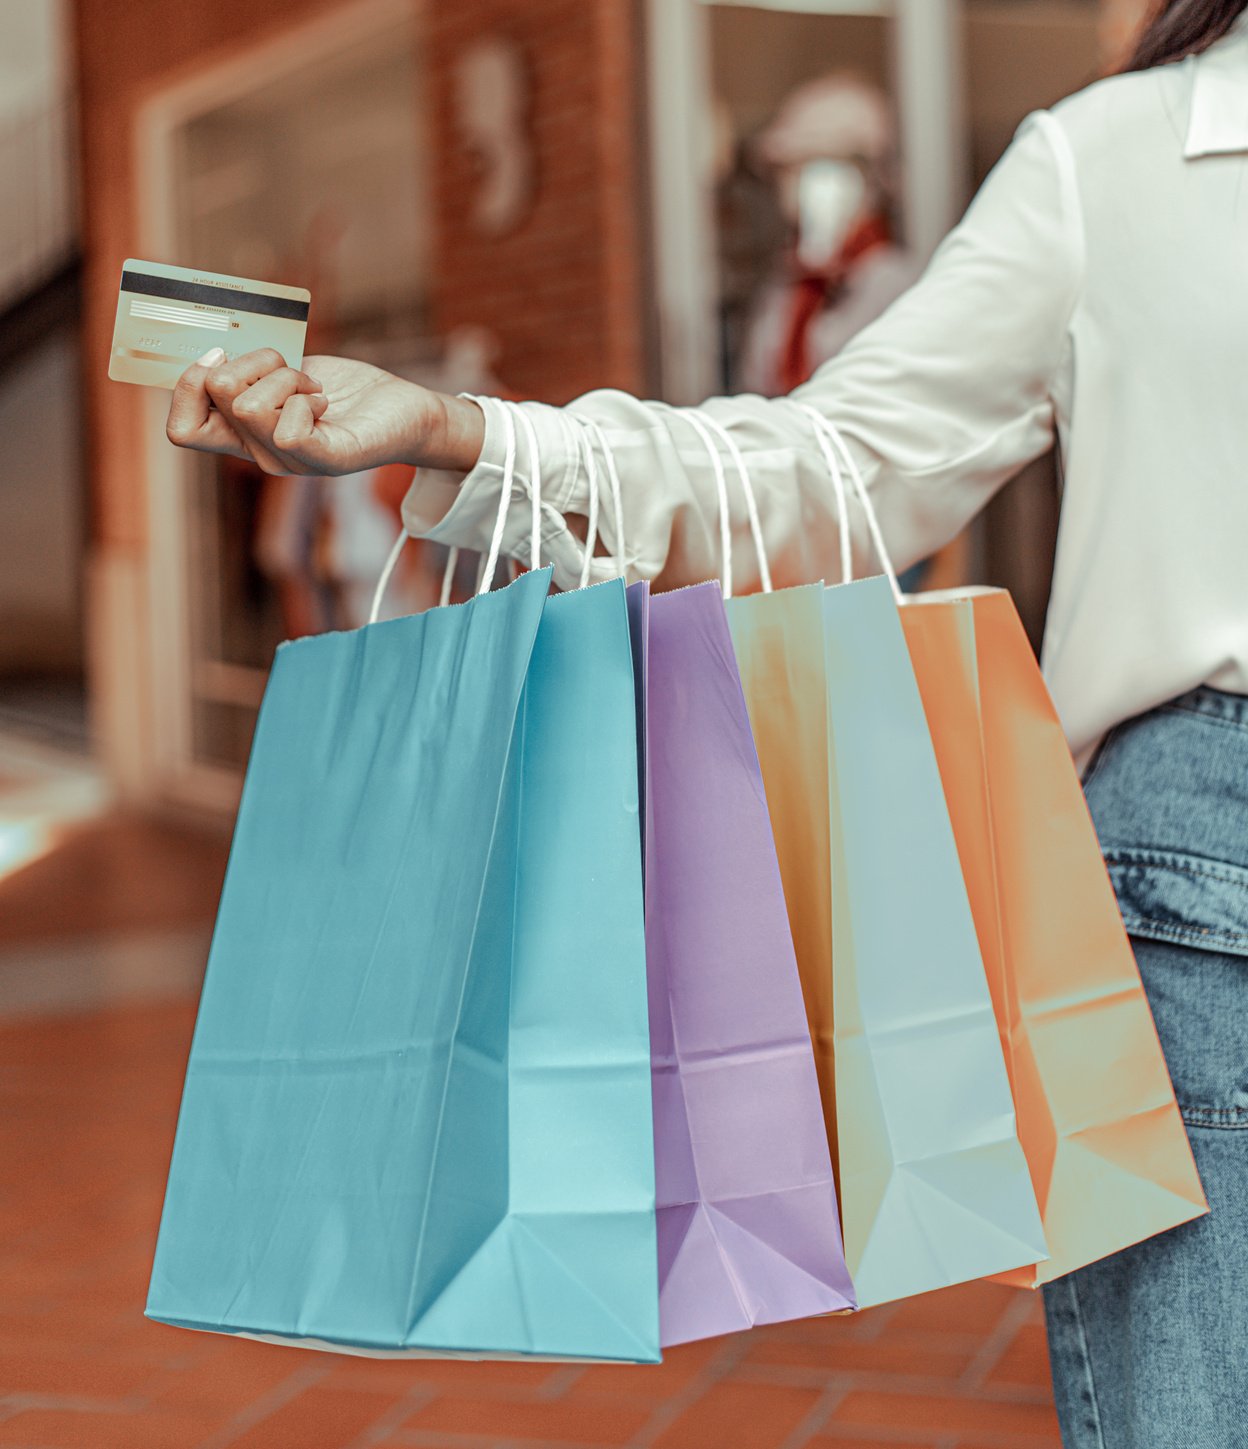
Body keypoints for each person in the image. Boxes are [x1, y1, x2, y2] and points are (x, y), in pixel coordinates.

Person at [165, 3, 1248, 1442]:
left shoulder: (1127, 152)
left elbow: (824, 466)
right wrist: (461, 430)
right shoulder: (1121, 154)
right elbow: (826, 462)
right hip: (1205, 873)